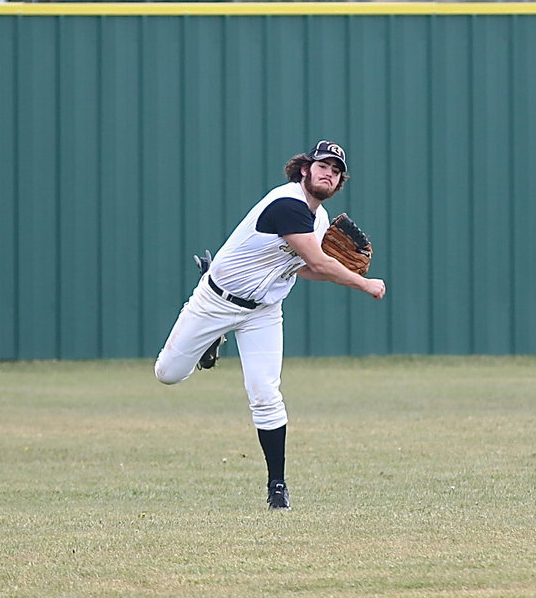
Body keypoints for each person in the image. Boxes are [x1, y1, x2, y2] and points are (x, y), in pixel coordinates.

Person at [153, 140, 387, 509]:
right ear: (305, 169)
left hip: (262, 310)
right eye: (322, 165)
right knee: (167, 373)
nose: (328, 172)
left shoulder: (319, 220)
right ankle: (210, 341)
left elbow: (307, 268)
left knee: (265, 393)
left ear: (340, 182)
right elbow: (322, 263)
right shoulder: (287, 204)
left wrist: (338, 270)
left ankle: (277, 487)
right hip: (215, 301)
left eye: (336, 170)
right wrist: (364, 283)